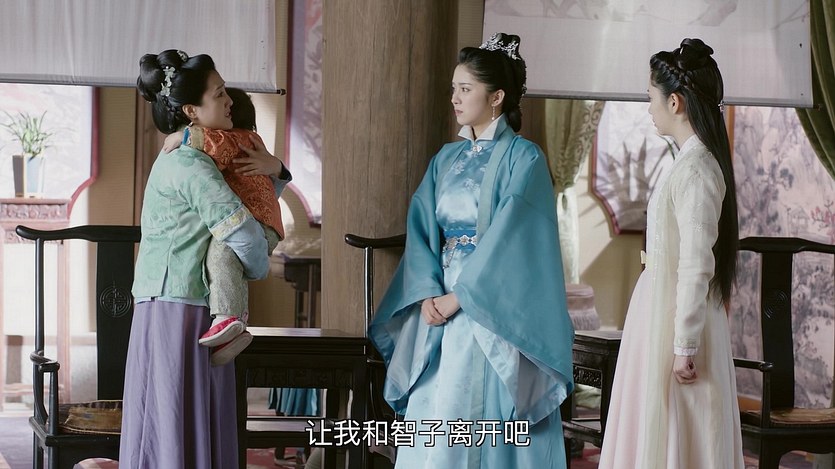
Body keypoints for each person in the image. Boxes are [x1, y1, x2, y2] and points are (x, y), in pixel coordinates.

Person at [368, 33, 575, 468]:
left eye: (466, 89)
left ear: (496, 97)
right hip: (438, 300)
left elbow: (514, 239)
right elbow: (422, 228)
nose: (455, 98)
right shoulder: (446, 158)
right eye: (454, 88)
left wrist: (460, 297)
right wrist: (427, 292)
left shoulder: (525, 159)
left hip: (489, 308)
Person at [122, 49, 291, 468]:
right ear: (192, 111)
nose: (230, 101)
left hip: (175, 300)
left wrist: (276, 168)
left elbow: (255, 198)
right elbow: (242, 230)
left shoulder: (194, 156)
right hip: (180, 303)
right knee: (179, 414)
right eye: (219, 94)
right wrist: (257, 266)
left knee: (170, 414)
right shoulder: (191, 164)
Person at [598, 38, 744, 468]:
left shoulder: (697, 169)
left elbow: (696, 265)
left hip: (678, 316)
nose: (649, 108)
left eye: (651, 97)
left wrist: (685, 344)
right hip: (660, 306)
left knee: (680, 427)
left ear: (675, 102)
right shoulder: (688, 163)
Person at [163, 87, 287, 365]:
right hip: (265, 222)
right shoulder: (252, 140)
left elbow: (216, 143)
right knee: (231, 266)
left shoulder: (236, 140)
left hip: (256, 222)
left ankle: (226, 316)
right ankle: (235, 327)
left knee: (220, 255)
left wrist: (183, 136)